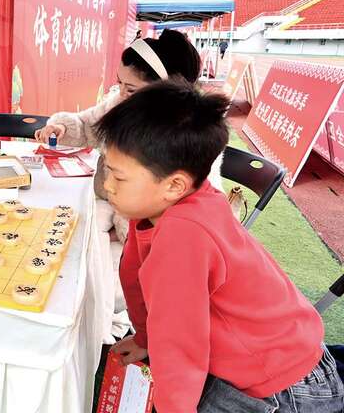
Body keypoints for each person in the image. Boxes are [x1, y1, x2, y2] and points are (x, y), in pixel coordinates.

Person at [97, 80, 342, 412]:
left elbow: (179, 343)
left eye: (119, 177)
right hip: (282, 359)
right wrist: (144, 338)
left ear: (174, 185)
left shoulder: (183, 235)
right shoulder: (165, 206)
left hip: (284, 386)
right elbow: (136, 280)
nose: (108, 186)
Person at [34, 29, 220, 243]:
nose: (121, 93)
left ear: (164, 90)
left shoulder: (185, 136)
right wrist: (63, 128)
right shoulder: (118, 104)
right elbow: (88, 126)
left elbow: (187, 216)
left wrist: (129, 234)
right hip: (114, 214)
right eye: (119, 82)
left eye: (130, 89)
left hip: (147, 237)